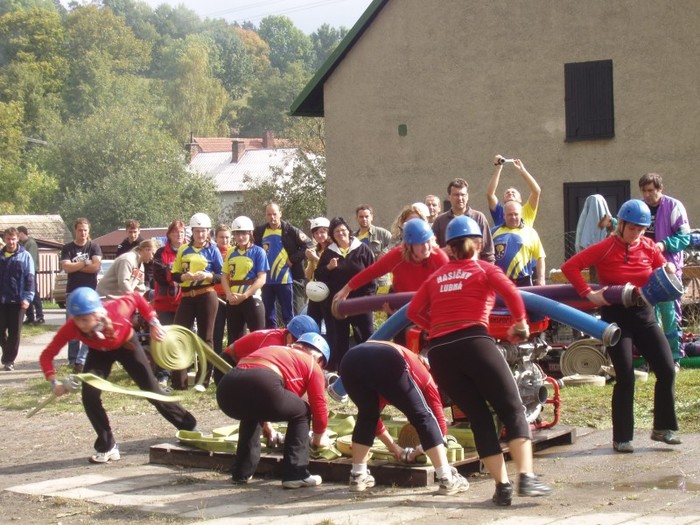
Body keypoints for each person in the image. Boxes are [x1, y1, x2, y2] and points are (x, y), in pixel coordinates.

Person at [408, 215, 552, 506]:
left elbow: (413, 312)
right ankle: (526, 477)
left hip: (440, 353)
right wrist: (521, 324)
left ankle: (502, 487)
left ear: (449, 247)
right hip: (475, 343)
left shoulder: (436, 277)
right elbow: (511, 292)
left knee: (479, 417)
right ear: (478, 243)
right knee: (512, 409)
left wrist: (434, 327)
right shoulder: (484, 268)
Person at [561, 199, 680, 453]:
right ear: (621, 224)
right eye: (632, 228)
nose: (636, 233)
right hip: (615, 316)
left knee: (667, 369)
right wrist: (587, 293)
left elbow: (662, 266)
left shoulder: (648, 246)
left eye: (641, 229)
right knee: (625, 376)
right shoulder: (605, 247)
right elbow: (570, 267)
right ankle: (622, 438)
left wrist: (668, 267)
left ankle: (663, 428)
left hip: (644, 313)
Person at [39, 288, 197, 463]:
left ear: (97, 314)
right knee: (89, 396)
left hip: (127, 345)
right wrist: (54, 382)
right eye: (76, 319)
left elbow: (136, 297)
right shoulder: (71, 327)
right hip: (99, 352)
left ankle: (189, 428)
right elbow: (46, 355)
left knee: (151, 390)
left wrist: (154, 323)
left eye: (85, 319)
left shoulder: (117, 309)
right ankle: (107, 446)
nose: (80, 324)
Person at [339, 340, 469, 494]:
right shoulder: (426, 376)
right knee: (422, 416)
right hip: (386, 358)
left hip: (349, 360)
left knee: (367, 415)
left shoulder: (389, 376)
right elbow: (437, 422)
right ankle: (447, 479)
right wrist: (419, 451)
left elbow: (374, 419)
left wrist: (394, 448)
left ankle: (357, 476)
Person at [216, 332, 331, 487]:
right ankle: (296, 474)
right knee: (302, 411)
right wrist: (318, 438)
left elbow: (257, 390)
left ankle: (241, 472)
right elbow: (319, 406)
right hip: (262, 382)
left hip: (226, 389)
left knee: (251, 413)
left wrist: (266, 424)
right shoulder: (312, 363)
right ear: (320, 358)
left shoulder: (275, 349)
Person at [333, 218, 448, 338]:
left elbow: (449, 289)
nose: (426, 247)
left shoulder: (439, 258)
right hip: (400, 306)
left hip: (429, 306)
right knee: (402, 343)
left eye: (428, 241)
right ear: (409, 246)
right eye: (420, 243)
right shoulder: (397, 256)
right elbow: (371, 272)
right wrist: (346, 289)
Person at [639, 173, 691, 365]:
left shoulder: (674, 206)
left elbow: (684, 237)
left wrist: (664, 244)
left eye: (650, 190)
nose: (647, 195)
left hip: (667, 268)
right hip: (644, 267)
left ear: (660, 189)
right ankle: (652, 357)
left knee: (670, 313)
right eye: (643, 191)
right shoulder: (640, 207)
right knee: (648, 314)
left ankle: (674, 357)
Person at [315, 217, 375, 372]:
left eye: (343, 230)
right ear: (332, 235)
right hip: (338, 304)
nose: (341, 233)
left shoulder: (362, 249)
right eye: (336, 231)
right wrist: (328, 268)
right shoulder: (329, 253)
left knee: (366, 336)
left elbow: (372, 274)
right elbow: (319, 275)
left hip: (361, 303)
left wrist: (368, 299)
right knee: (340, 339)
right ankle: (343, 372)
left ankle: (370, 369)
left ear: (348, 231)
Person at [171, 213, 223, 390]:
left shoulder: (213, 250)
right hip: (187, 296)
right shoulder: (183, 249)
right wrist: (183, 276)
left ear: (208, 232)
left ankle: (203, 381)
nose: (200, 235)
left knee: (205, 337)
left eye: (203, 231)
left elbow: (221, 275)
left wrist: (207, 275)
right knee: (179, 336)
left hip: (206, 295)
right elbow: (174, 274)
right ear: (192, 232)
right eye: (197, 231)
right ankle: (179, 382)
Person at [214, 314, 319, 384]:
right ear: (290, 336)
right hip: (227, 365)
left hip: (244, 367)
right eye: (301, 344)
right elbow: (260, 373)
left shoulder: (285, 339)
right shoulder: (272, 343)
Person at [254, 202, 313, 327]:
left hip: (285, 279)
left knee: (288, 315)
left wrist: (292, 260)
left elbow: (308, 245)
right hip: (266, 280)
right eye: (269, 214)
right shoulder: (260, 231)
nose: (272, 217)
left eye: (274, 214)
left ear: (280, 213)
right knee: (269, 316)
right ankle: (272, 338)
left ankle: (290, 337)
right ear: (265, 215)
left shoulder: (290, 230)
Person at [61, 218, 102, 372]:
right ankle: (72, 359)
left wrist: (76, 266)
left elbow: (96, 267)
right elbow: (66, 267)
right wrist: (85, 263)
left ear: (88, 230)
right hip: (72, 291)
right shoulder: (68, 248)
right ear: (75, 230)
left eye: (85, 230)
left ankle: (83, 359)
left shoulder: (94, 247)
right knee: (72, 326)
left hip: (90, 293)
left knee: (90, 326)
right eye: (80, 230)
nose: (83, 233)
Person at [222, 216, 268, 351]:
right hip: (233, 301)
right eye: (237, 234)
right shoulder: (230, 252)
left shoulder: (259, 252)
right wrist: (229, 295)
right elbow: (224, 277)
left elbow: (262, 278)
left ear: (250, 233)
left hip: (252, 299)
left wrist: (245, 295)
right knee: (234, 341)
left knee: (258, 339)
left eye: (244, 233)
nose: (240, 237)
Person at [152, 220, 186, 387]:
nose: (179, 235)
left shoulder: (190, 250)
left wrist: (173, 270)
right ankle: (163, 374)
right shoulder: (160, 253)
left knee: (181, 338)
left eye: (181, 232)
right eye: (175, 232)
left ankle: (180, 375)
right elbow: (159, 275)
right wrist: (177, 272)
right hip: (164, 302)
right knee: (164, 338)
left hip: (185, 302)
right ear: (169, 235)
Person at [432, 178, 495, 262]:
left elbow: (488, 253)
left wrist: (488, 269)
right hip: (449, 268)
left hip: (474, 268)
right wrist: (443, 251)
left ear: (467, 196)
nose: (460, 198)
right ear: (449, 197)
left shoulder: (478, 218)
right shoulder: (440, 221)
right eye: (456, 195)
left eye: (463, 195)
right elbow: (431, 251)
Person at [0, 227, 35, 371]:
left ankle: (9, 360)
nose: (11, 242)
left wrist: (27, 298)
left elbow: (30, 278)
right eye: (8, 239)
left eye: (13, 239)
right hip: (2, 300)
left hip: (18, 301)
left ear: (18, 239)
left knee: (14, 332)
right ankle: (7, 353)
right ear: (4, 239)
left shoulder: (25, 256)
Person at [492, 201, 546, 287]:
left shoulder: (530, 232)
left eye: (516, 214)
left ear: (521, 215)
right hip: (500, 281)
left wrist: (541, 279)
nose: (513, 217)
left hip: (524, 281)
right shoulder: (493, 232)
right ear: (504, 216)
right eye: (510, 214)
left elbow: (540, 257)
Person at [486, 155, 541, 227]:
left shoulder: (527, 211)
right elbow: (490, 194)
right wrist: (498, 168)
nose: (510, 193)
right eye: (507, 192)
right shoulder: (500, 212)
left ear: (520, 199)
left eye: (513, 192)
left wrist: (523, 171)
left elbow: (536, 191)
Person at [354, 205, 392, 288]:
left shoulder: (383, 233)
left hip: (381, 282)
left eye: (366, 216)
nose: (364, 219)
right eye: (361, 217)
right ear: (356, 218)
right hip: (361, 282)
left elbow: (395, 245)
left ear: (372, 217)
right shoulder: (353, 238)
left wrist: (385, 252)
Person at [304, 217, 331, 329]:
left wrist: (315, 258)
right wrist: (311, 260)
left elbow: (330, 267)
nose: (319, 235)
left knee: (331, 325)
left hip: (330, 291)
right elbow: (308, 275)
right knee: (312, 323)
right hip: (315, 292)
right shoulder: (315, 250)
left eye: (322, 232)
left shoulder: (333, 249)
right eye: (316, 233)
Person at [212, 224, 232, 357]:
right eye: (221, 237)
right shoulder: (212, 252)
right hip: (216, 298)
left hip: (232, 297)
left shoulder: (234, 252)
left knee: (233, 332)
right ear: (216, 238)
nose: (224, 240)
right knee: (216, 332)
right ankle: (216, 362)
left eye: (227, 237)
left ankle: (230, 361)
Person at [17, 226, 44, 326]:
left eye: (18, 234)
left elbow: (30, 258)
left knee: (34, 293)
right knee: (25, 293)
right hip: (23, 272)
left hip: (31, 271)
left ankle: (40, 316)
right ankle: (30, 317)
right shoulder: (21, 243)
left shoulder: (31, 243)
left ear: (22, 233)